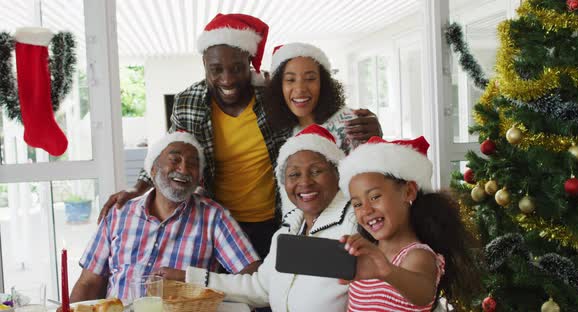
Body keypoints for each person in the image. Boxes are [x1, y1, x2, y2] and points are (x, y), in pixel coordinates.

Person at [99, 15, 379, 259]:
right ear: (204, 64)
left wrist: (371, 131)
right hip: (220, 222)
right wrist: (138, 188)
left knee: (273, 291)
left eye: (236, 68)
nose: (227, 79)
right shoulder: (189, 102)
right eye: (216, 69)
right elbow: (171, 149)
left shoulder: (270, 98)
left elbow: (312, 113)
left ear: (250, 63)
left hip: (278, 218)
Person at [166, 124, 357, 311]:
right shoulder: (288, 231)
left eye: (316, 171)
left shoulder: (354, 224)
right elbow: (260, 288)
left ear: (337, 173)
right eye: (294, 174)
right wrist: (189, 279)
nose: (305, 182)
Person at [70, 132, 260, 302]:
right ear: (152, 170)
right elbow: (89, 283)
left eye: (193, 164)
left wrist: (193, 279)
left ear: (199, 178)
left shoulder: (213, 218)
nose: (184, 169)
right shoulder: (119, 213)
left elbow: (252, 277)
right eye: (175, 160)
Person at [337, 136, 481, 311]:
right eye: (357, 204)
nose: (366, 210)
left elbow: (423, 294)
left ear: (409, 192)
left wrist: (387, 271)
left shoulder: (417, 255)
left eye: (375, 197)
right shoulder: (368, 255)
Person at [263, 42, 382, 155]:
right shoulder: (283, 131)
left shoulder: (351, 125)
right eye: (290, 80)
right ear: (279, 87)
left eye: (310, 79)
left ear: (323, 83)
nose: (300, 89)